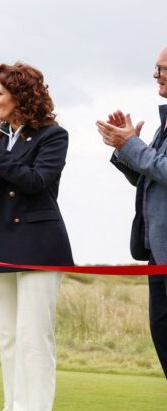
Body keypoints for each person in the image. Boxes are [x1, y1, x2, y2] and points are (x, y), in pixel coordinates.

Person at [0, 62, 73, 411]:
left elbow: (35, 182)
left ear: (20, 96)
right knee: (9, 339)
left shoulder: (53, 136)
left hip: (39, 247)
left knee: (34, 341)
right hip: (0, 247)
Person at [96, 46, 167, 379]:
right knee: (162, 337)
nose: (156, 75)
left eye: (162, 69)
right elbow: (149, 177)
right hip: (157, 255)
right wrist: (125, 150)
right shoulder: (163, 124)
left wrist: (133, 147)